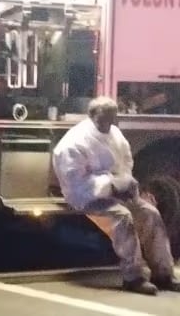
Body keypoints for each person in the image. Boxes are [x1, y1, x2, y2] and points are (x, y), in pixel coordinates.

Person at [52, 96, 180, 295]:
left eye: (112, 118)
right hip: (88, 198)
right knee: (123, 218)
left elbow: (126, 162)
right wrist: (111, 185)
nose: (109, 123)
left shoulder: (115, 134)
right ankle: (134, 276)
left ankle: (163, 273)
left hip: (117, 192)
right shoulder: (73, 144)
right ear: (93, 116)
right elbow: (75, 184)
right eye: (106, 118)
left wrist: (127, 183)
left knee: (150, 213)